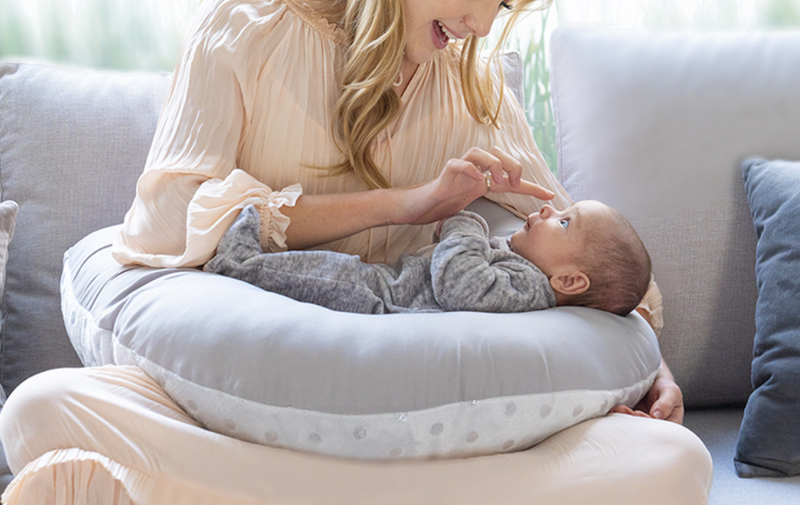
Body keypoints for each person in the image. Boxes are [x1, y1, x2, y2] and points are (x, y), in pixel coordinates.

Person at [110, 0, 682, 422]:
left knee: (665, 461)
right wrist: (401, 205)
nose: (482, 27)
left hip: (400, 405)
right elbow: (168, 222)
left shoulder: (473, 92)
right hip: (241, 383)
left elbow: (587, 247)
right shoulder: (245, 29)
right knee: (48, 406)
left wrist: (648, 372)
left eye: (503, 6)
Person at [205, 198, 651, 318]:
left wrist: (466, 224)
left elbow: (459, 283)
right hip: (391, 285)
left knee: (318, 275)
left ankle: (238, 267)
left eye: (565, 223)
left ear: (570, 281)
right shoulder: (530, 274)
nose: (550, 210)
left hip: (385, 299)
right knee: (314, 269)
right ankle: (245, 266)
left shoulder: (529, 288)